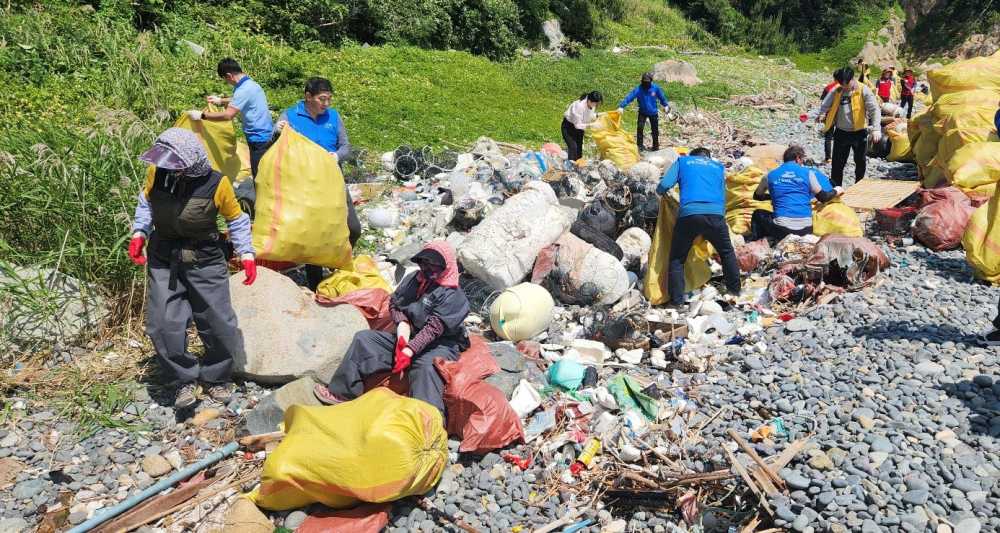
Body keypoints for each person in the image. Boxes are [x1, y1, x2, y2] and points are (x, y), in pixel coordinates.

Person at [127, 128, 256, 409]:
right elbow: (146, 202)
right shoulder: (157, 173)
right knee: (163, 323)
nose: (170, 169)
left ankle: (216, 377)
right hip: (164, 257)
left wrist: (246, 253)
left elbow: (236, 219)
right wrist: (139, 232)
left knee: (218, 322)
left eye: (176, 164)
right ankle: (182, 379)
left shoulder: (217, 183)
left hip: (204, 258)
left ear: (190, 159)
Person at [314, 241, 470, 416]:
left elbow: (433, 329)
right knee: (364, 339)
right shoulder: (415, 280)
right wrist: (402, 334)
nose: (427, 268)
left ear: (446, 266)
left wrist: (409, 350)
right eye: (424, 263)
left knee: (426, 367)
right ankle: (342, 394)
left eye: (433, 264)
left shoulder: (453, 296)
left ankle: (429, 421)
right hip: (411, 334)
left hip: (439, 344)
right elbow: (395, 304)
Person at [275, 77, 361, 290]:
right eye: (322, 99)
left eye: (329, 99)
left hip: (333, 180)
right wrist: (276, 131)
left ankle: (336, 262)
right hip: (306, 184)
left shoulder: (333, 116)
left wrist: (337, 156)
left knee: (353, 227)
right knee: (313, 235)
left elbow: (346, 146)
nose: (326, 104)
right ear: (308, 97)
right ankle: (316, 286)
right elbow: (274, 144)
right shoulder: (291, 116)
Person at [655, 147, 741, 305]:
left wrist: (661, 194)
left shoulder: (683, 161)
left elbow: (664, 185)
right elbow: (723, 194)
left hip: (690, 215)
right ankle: (734, 291)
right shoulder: (718, 167)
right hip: (716, 215)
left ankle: (677, 302)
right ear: (708, 157)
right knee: (726, 252)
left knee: (677, 259)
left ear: (692, 156)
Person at [190, 58, 274, 179]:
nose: (227, 82)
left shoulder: (243, 90)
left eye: (226, 80)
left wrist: (202, 115)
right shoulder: (250, 84)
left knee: (260, 175)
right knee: (265, 170)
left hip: (259, 139)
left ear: (229, 76)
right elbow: (240, 99)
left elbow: (228, 115)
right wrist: (220, 100)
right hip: (267, 133)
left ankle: (262, 191)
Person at [748, 146, 843, 242]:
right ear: (798, 158)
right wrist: (836, 190)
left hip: (782, 230)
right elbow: (823, 197)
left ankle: (757, 241)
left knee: (757, 214)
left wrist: (775, 197)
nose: (802, 163)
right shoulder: (808, 173)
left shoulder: (770, 175)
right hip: (806, 229)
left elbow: (757, 196)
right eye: (802, 160)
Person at [817, 66, 882, 187]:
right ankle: (836, 189)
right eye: (842, 84)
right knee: (837, 164)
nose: (844, 86)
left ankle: (859, 186)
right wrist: (822, 113)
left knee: (860, 162)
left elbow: (874, 109)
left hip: (859, 133)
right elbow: (825, 103)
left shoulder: (863, 90)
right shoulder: (838, 90)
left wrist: (876, 129)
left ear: (852, 79)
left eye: (846, 84)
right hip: (841, 132)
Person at [617, 72, 669, 152]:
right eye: (644, 82)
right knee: (640, 128)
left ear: (651, 81)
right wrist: (621, 106)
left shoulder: (655, 88)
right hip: (642, 112)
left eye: (647, 82)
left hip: (653, 112)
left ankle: (655, 146)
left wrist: (665, 105)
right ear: (642, 81)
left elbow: (661, 97)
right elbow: (630, 97)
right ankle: (640, 146)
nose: (646, 83)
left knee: (655, 130)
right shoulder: (639, 89)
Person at [562, 91, 602, 162]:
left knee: (579, 152)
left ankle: (577, 165)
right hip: (568, 127)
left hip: (579, 129)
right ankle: (570, 166)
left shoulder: (591, 105)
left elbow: (589, 116)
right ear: (590, 101)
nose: (596, 105)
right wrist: (591, 125)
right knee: (573, 148)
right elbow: (577, 125)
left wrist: (601, 114)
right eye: (595, 103)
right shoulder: (579, 106)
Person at [821, 75, 841, 164]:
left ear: (834, 78)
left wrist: (821, 115)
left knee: (828, 137)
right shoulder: (845, 88)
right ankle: (838, 157)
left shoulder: (828, 87)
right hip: (841, 116)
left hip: (829, 115)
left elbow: (823, 103)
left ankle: (828, 158)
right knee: (840, 137)